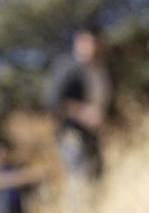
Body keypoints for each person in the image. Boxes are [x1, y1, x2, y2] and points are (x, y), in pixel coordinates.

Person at [45, 25, 115, 181]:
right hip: (71, 133)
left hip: (92, 134)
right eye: (89, 43)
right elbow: (53, 101)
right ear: (79, 43)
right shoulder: (66, 67)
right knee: (80, 176)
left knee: (97, 175)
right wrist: (83, 113)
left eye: (95, 43)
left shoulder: (97, 69)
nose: (93, 48)